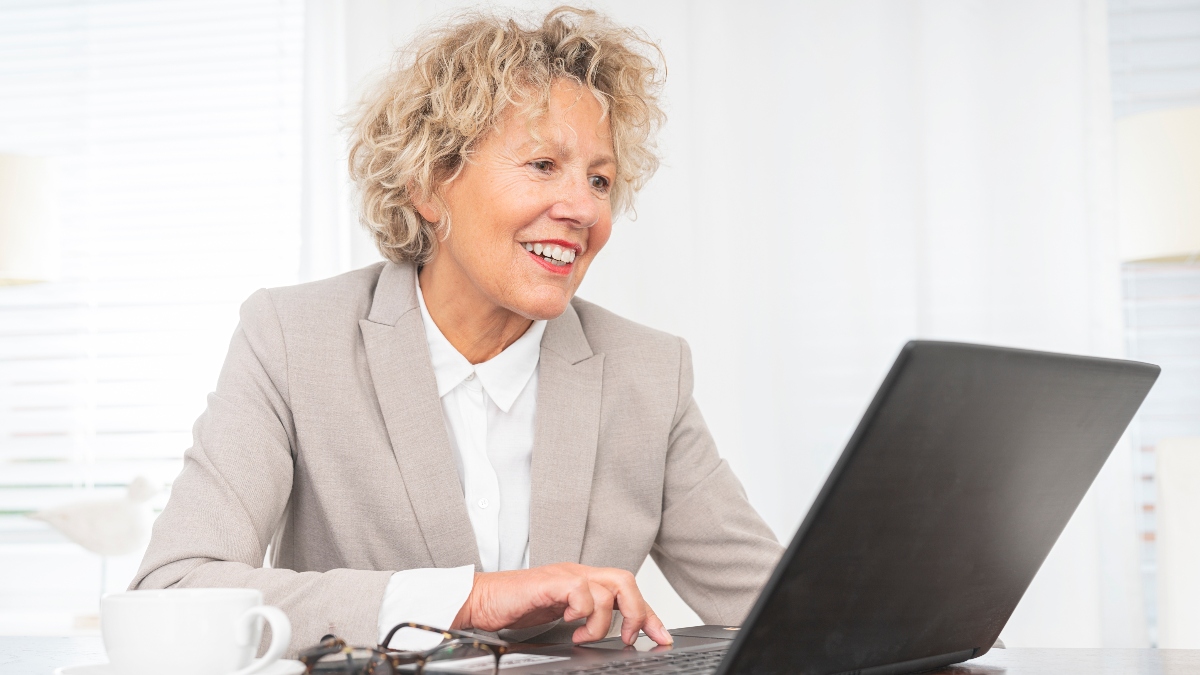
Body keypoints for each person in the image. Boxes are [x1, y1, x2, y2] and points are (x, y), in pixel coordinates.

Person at [132, 6, 783, 655]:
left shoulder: (648, 371)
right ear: (428, 182)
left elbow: (789, 612)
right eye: (542, 164)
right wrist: (466, 597)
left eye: (600, 178)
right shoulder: (293, 339)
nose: (584, 207)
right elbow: (174, 593)